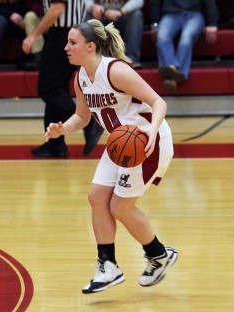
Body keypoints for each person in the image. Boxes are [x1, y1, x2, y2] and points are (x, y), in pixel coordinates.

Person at [45, 19, 178, 294]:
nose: (66, 47)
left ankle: (159, 255)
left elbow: (158, 102)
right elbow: (82, 118)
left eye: (72, 43)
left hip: (147, 142)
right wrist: (61, 129)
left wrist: (152, 131)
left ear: (90, 46)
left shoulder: (115, 71)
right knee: (96, 197)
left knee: (119, 207)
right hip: (121, 143)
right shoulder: (81, 78)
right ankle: (109, 266)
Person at [22, 0, 104, 157]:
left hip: (62, 33)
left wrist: (33, 35)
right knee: (58, 87)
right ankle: (55, 144)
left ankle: (90, 122)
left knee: (48, 89)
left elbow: (57, 8)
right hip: (74, 32)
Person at [150, 0, 218, 91]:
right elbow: (155, 2)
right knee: (162, 36)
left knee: (186, 38)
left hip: (194, 14)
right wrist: (155, 23)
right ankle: (173, 69)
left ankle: (173, 75)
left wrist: (212, 22)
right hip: (170, 14)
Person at [84, 0, 144, 69]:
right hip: (99, 15)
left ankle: (131, 59)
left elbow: (139, 1)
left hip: (122, 15)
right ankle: (91, 59)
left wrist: (121, 11)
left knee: (136, 15)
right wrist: (93, 7)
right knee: (86, 15)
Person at [22, 0, 44, 70]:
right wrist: (47, 10)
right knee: (29, 16)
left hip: (59, 18)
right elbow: (31, 6)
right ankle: (38, 58)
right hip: (41, 17)